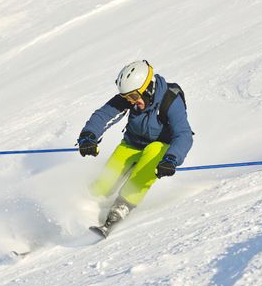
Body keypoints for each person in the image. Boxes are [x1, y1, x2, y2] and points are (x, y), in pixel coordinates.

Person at [78, 60, 193, 237]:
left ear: (148, 89)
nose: (130, 102)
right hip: (132, 144)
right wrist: (89, 136)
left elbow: (183, 134)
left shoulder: (170, 100)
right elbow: (103, 115)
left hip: (160, 147)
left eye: (133, 97)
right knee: (103, 185)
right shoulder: (130, 98)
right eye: (127, 98)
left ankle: (121, 208)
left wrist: (171, 159)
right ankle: (84, 212)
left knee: (149, 160)